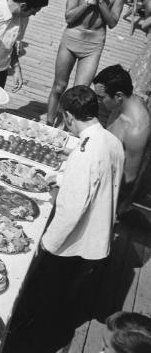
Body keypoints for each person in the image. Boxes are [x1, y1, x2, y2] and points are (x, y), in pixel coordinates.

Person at [27, 86, 124, 351]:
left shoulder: (85, 153)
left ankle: (41, 340)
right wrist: (57, 178)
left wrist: (47, 243)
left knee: (49, 294)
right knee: (68, 291)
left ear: (69, 116)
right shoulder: (111, 140)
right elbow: (101, 179)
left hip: (74, 242)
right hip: (97, 234)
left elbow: (72, 208)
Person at [46, 0, 126, 126]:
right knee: (59, 86)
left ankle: (67, 130)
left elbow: (113, 22)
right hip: (72, 37)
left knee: (79, 93)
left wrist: (100, 1)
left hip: (94, 44)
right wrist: (87, 3)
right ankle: (49, 123)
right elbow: (69, 17)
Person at [93, 65, 151, 197]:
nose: (98, 101)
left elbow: (128, 179)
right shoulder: (120, 103)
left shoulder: (135, 131)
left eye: (101, 97)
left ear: (118, 96)